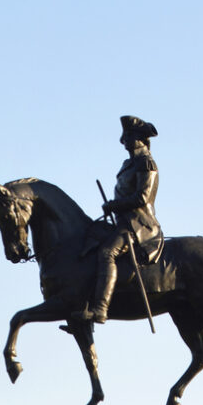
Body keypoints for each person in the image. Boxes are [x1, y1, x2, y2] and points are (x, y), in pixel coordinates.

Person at [82, 116, 163, 322]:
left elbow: (142, 197)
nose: (123, 141)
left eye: (128, 136)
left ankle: (100, 309)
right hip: (124, 222)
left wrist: (114, 205)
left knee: (107, 253)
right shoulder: (129, 163)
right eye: (124, 136)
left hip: (138, 224)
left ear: (140, 139)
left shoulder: (146, 163)